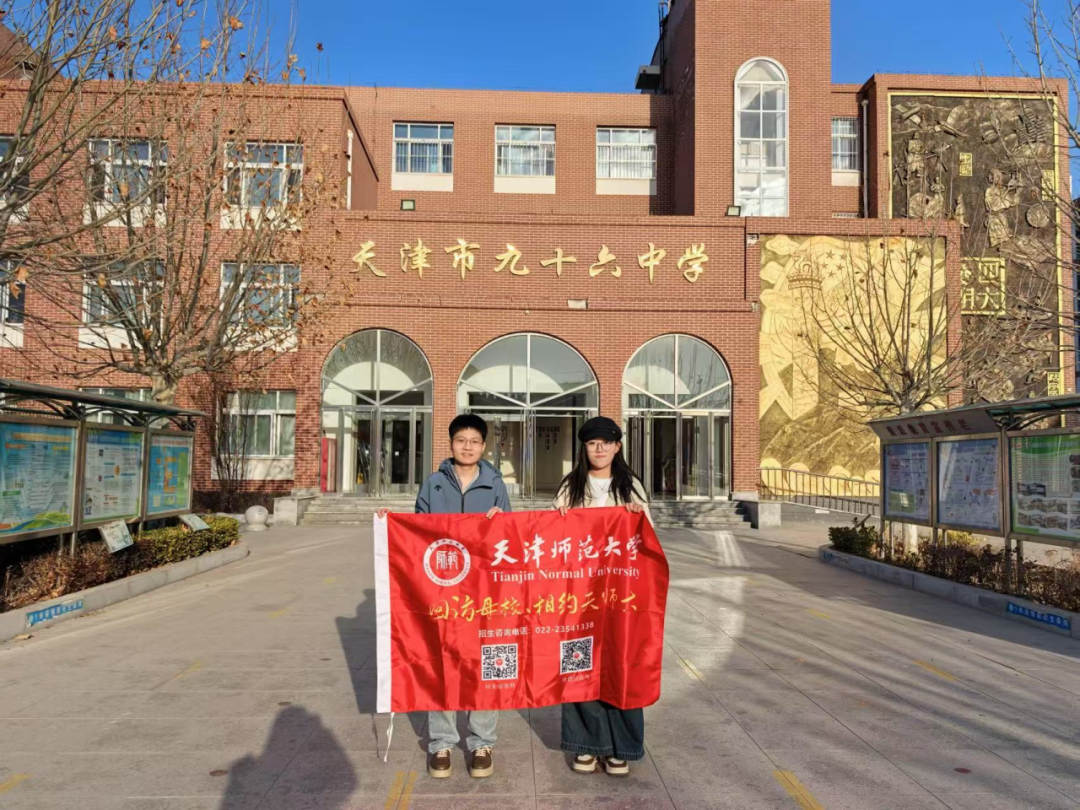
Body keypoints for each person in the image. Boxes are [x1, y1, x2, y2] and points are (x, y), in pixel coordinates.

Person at [377, 413, 511, 779]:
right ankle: (441, 743)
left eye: (474, 441)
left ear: (484, 446)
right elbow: (417, 530)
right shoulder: (434, 483)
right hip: (440, 589)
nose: (467, 447)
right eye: (461, 440)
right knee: (442, 663)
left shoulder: (495, 484)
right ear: (451, 444)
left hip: (482, 592)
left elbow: (508, 537)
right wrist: (389, 521)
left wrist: (501, 521)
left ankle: (482, 742)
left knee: (483, 664)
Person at [553, 416, 653, 777]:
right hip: (579, 595)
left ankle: (621, 747)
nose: (599, 449)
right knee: (580, 663)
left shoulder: (631, 486)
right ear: (584, 448)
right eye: (592, 443)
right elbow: (550, 540)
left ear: (617, 447)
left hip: (620, 595)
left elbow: (649, 542)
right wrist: (559, 518)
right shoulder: (571, 486)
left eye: (606, 443)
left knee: (621, 665)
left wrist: (638, 517)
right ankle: (586, 744)